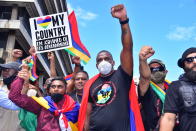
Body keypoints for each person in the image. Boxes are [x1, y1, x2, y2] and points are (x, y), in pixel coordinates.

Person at [78, 4, 134, 131]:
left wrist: (123, 21)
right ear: (97, 65)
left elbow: (127, 48)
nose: (103, 61)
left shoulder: (122, 75)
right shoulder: (91, 84)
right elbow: (87, 114)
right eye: (100, 60)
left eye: (107, 59)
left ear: (113, 62)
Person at [9, 64, 80, 131]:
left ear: (65, 89)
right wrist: (20, 78)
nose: (56, 89)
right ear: (49, 90)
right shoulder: (41, 104)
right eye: (53, 86)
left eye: (60, 87)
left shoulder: (75, 107)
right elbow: (15, 97)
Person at [160, 47, 196, 131]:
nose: (194, 61)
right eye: (190, 59)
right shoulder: (175, 86)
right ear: (183, 65)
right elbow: (169, 118)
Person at [138, 46, 170, 131]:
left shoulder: (174, 89)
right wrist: (142, 60)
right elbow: (144, 78)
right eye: (151, 69)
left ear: (165, 72)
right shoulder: (146, 89)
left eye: (159, 68)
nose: (155, 70)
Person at [0, 62, 24, 131]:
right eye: (3, 70)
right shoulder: (2, 91)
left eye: (8, 70)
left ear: (18, 73)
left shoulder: (30, 92)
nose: (4, 73)